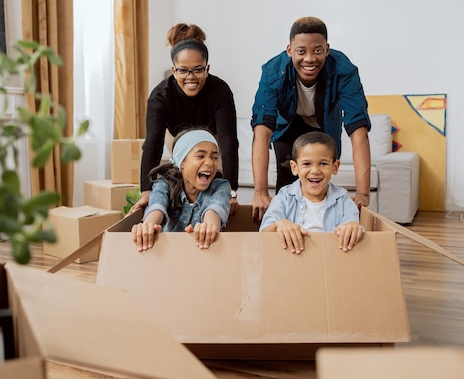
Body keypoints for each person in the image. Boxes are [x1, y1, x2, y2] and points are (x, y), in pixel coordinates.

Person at [250, 16, 371, 222]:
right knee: (288, 176)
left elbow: (358, 129)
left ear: (327, 49)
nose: (309, 59)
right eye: (301, 51)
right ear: (290, 50)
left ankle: (321, 227)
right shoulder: (273, 72)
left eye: (317, 50)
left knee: (318, 176)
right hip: (286, 126)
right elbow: (262, 130)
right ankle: (285, 228)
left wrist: (363, 193)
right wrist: (260, 191)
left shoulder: (344, 70)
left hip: (322, 125)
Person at [129, 23, 239, 215]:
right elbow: (153, 144)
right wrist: (146, 190)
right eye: (183, 71)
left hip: (211, 142)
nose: (191, 77)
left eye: (198, 70)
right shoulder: (160, 96)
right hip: (179, 141)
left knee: (216, 192)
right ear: (173, 70)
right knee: (179, 191)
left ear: (207, 68)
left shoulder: (220, 91)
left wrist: (232, 191)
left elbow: (228, 141)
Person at [260, 132, 364, 254]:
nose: (315, 171)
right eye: (307, 164)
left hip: (331, 259)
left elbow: (353, 225)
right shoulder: (284, 197)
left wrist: (352, 226)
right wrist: (280, 224)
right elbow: (264, 233)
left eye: (323, 163)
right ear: (294, 167)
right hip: (292, 260)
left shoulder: (343, 199)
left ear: (335, 167)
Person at [131, 128, 231, 252]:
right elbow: (157, 206)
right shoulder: (164, 184)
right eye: (201, 156)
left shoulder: (221, 186)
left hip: (203, 255)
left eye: (215, 157)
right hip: (167, 256)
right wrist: (147, 226)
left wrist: (208, 227)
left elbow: (215, 209)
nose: (210, 162)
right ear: (182, 162)